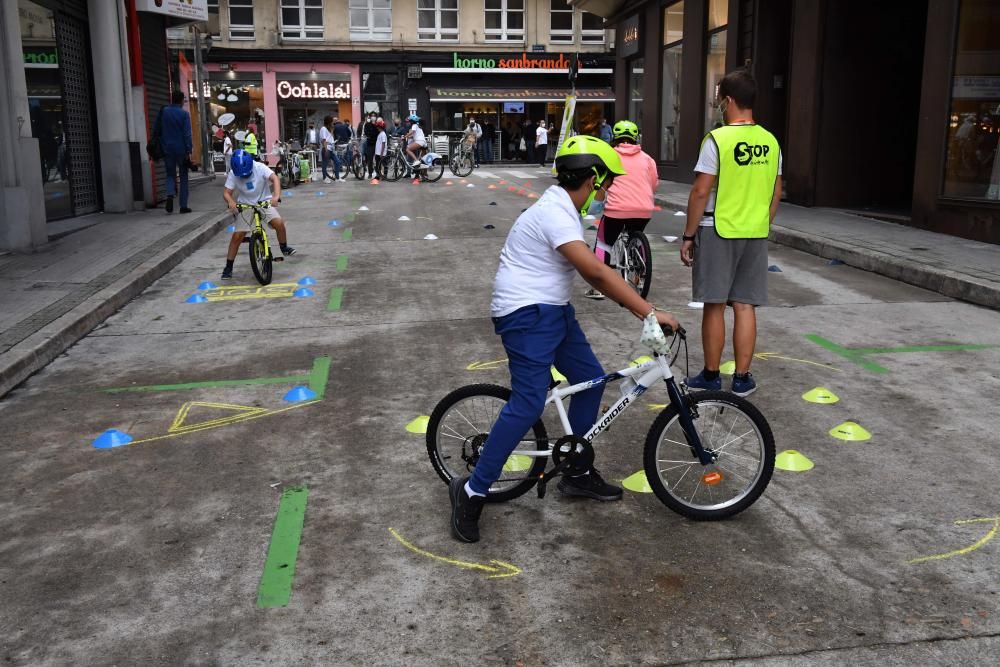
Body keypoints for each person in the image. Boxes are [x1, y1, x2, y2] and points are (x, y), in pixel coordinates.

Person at [447, 135, 681, 543]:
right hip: (525, 313)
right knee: (528, 403)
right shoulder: (556, 211)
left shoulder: (564, 208)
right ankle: (471, 491)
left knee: (590, 380)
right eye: (605, 182)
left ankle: (576, 472)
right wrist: (648, 311)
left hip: (553, 309)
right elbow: (596, 274)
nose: (606, 191)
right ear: (591, 178)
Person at [680, 69, 782, 398]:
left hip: (718, 228)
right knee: (744, 305)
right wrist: (760, 221)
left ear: (729, 100)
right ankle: (742, 378)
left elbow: (700, 192)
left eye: (721, 100)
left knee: (714, 304)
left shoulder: (718, 139)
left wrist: (688, 235)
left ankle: (711, 375)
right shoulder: (770, 141)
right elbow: (776, 192)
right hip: (754, 231)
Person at [585, 120, 659, 300]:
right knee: (636, 236)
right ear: (635, 138)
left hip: (616, 210)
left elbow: (600, 182)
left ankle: (599, 288)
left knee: (604, 243)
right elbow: (654, 183)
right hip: (643, 209)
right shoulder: (647, 158)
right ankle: (639, 275)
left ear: (615, 137)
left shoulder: (608, 155)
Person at [222, 149, 295, 280]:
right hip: (245, 205)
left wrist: (276, 196)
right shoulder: (233, 173)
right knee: (237, 236)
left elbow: (275, 178)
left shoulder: (259, 167)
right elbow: (227, 193)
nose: (244, 176)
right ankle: (228, 267)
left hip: (264, 201)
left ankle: (284, 247)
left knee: (279, 223)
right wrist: (231, 202)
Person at [154, 90, 193, 214]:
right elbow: (187, 134)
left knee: (170, 174)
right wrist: (189, 149)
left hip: (167, 149)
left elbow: (156, 128)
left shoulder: (164, 112)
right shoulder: (184, 114)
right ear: (181, 100)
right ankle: (183, 206)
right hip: (181, 149)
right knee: (183, 176)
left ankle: (170, 195)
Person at [333, 117, 352, 181]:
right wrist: (347, 138)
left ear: (334, 122)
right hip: (346, 142)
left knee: (338, 155)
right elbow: (350, 133)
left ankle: (340, 168)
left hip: (338, 143)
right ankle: (348, 167)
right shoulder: (345, 126)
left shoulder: (334, 127)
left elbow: (334, 135)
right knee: (347, 155)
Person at [362, 111, 379, 178]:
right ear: (370, 116)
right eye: (372, 115)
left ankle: (378, 173)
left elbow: (379, 133)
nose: (373, 117)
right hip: (370, 144)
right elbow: (367, 133)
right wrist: (373, 134)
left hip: (377, 144)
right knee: (370, 159)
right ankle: (370, 173)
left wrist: (373, 133)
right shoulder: (367, 124)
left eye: (374, 115)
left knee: (378, 159)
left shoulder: (378, 124)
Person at [319, 115, 336, 183]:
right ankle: (324, 178)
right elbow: (324, 140)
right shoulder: (323, 129)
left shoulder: (328, 128)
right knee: (325, 164)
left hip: (331, 148)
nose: (332, 122)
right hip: (326, 148)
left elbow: (331, 137)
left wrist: (332, 129)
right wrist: (326, 150)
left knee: (337, 162)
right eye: (332, 121)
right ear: (329, 121)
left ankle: (337, 177)